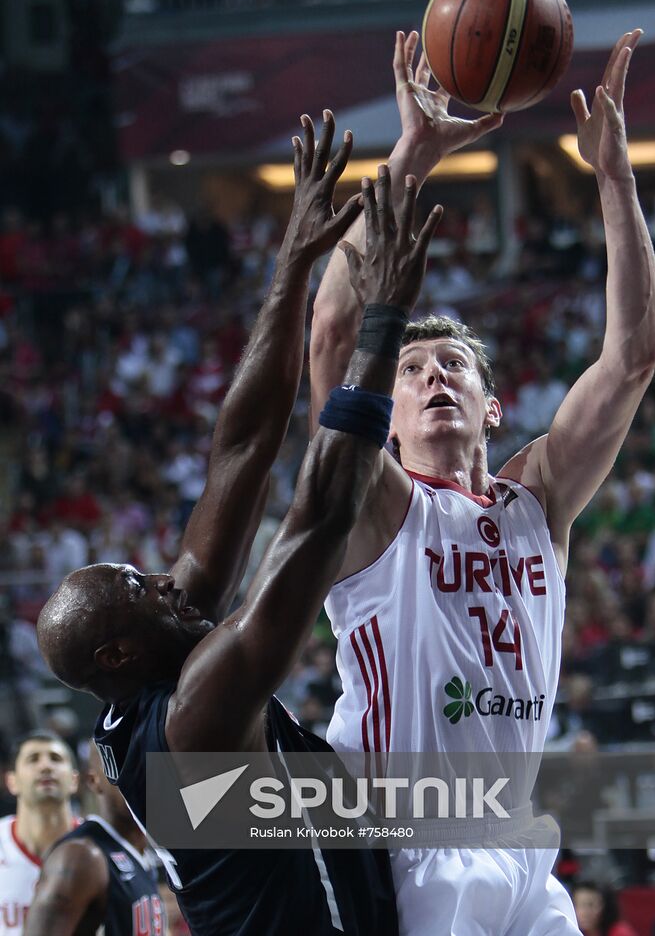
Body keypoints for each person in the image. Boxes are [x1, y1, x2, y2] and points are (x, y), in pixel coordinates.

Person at [36, 122, 442, 935]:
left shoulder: (156, 662)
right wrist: (383, 322)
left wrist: (292, 260)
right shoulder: (196, 722)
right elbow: (319, 520)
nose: (164, 581)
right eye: (140, 588)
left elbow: (241, 451)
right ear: (118, 653)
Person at [310, 29, 655, 935]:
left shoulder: (535, 500)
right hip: (406, 840)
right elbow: (332, 333)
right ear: (385, 416)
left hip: (519, 839)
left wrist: (614, 180)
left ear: (492, 406)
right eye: (410, 369)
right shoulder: (376, 502)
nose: (432, 374)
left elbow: (630, 358)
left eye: (452, 365)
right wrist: (411, 155)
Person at [24, 742, 166, 935]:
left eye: (143, 764)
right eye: (122, 766)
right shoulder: (81, 856)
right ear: (93, 780)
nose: (137, 777)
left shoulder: (145, 853)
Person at [0, 730, 80, 934]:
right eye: (33, 759)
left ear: (74, 780)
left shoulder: (100, 845)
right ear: (11, 781)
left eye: (56, 759)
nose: (45, 766)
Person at [572, 880, 638, 936]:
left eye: (590, 905)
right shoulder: (572, 932)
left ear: (606, 906)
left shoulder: (621, 932)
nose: (584, 912)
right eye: (578, 905)